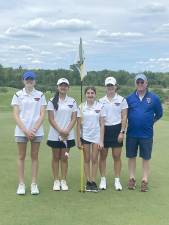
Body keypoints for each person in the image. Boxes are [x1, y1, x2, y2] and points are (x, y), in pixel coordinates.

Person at [11, 71, 47, 195]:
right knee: (21, 156)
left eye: (31, 79)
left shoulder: (41, 95)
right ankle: (21, 184)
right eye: (27, 79)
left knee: (34, 157)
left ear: (35, 81)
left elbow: (42, 114)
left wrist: (34, 129)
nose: (29, 81)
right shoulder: (17, 94)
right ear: (23, 81)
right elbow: (15, 115)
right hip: (21, 131)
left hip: (36, 131)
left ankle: (33, 184)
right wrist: (26, 130)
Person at [126, 73, 163, 192]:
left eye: (142, 82)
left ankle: (144, 180)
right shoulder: (129, 98)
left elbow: (159, 114)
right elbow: (124, 115)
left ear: (146, 84)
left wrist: (150, 122)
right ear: (135, 84)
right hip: (131, 133)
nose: (140, 84)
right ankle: (131, 178)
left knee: (145, 157)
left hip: (146, 134)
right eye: (138, 82)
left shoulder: (154, 98)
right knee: (131, 156)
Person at [47, 78, 77, 191]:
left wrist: (67, 131)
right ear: (57, 87)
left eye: (65, 85)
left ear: (68, 87)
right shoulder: (51, 101)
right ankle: (56, 180)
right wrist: (60, 131)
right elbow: (51, 119)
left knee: (65, 158)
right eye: (61, 85)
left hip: (68, 135)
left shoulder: (72, 101)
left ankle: (63, 180)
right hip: (55, 134)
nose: (63, 87)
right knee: (55, 157)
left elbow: (74, 118)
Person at [99, 77, 128, 191]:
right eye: (108, 85)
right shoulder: (101, 101)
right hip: (104, 130)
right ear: (105, 87)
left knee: (116, 156)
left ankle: (117, 180)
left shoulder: (122, 100)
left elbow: (124, 116)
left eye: (112, 85)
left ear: (116, 86)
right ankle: (103, 180)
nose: (110, 87)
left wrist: (122, 132)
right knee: (103, 156)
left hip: (117, 129)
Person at [77, 86, 105, 192]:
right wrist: (79, 140)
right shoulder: (81, 107)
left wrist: (101, 140)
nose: (90, 95)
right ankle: (88, 181)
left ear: (95, 94)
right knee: (86, 159)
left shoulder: (100, 106)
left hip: (96, 137)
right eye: (88, 93)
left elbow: (102, 124)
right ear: (85, 94)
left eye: (92, 93)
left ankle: (93, 181)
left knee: (94, 159)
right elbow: (78, 125)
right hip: (85, 137)